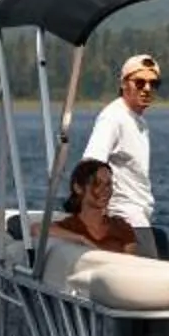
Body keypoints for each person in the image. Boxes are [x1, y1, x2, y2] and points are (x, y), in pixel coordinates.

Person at [80, 53, 160, 229]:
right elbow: (90, 165)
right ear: (124, 84)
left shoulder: (138, 121)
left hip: (139, 215)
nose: (147, 88)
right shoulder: (113, 118)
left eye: (153, 84)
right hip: (122, 217)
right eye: (139, 82)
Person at [53, 158, 138, 253]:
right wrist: (81, 239)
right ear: (78, 188)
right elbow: (37, 229)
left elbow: (130, 263)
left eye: (108, 184)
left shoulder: (121, 227)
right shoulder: (69, 226)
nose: (105, 190)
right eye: (97, 183)